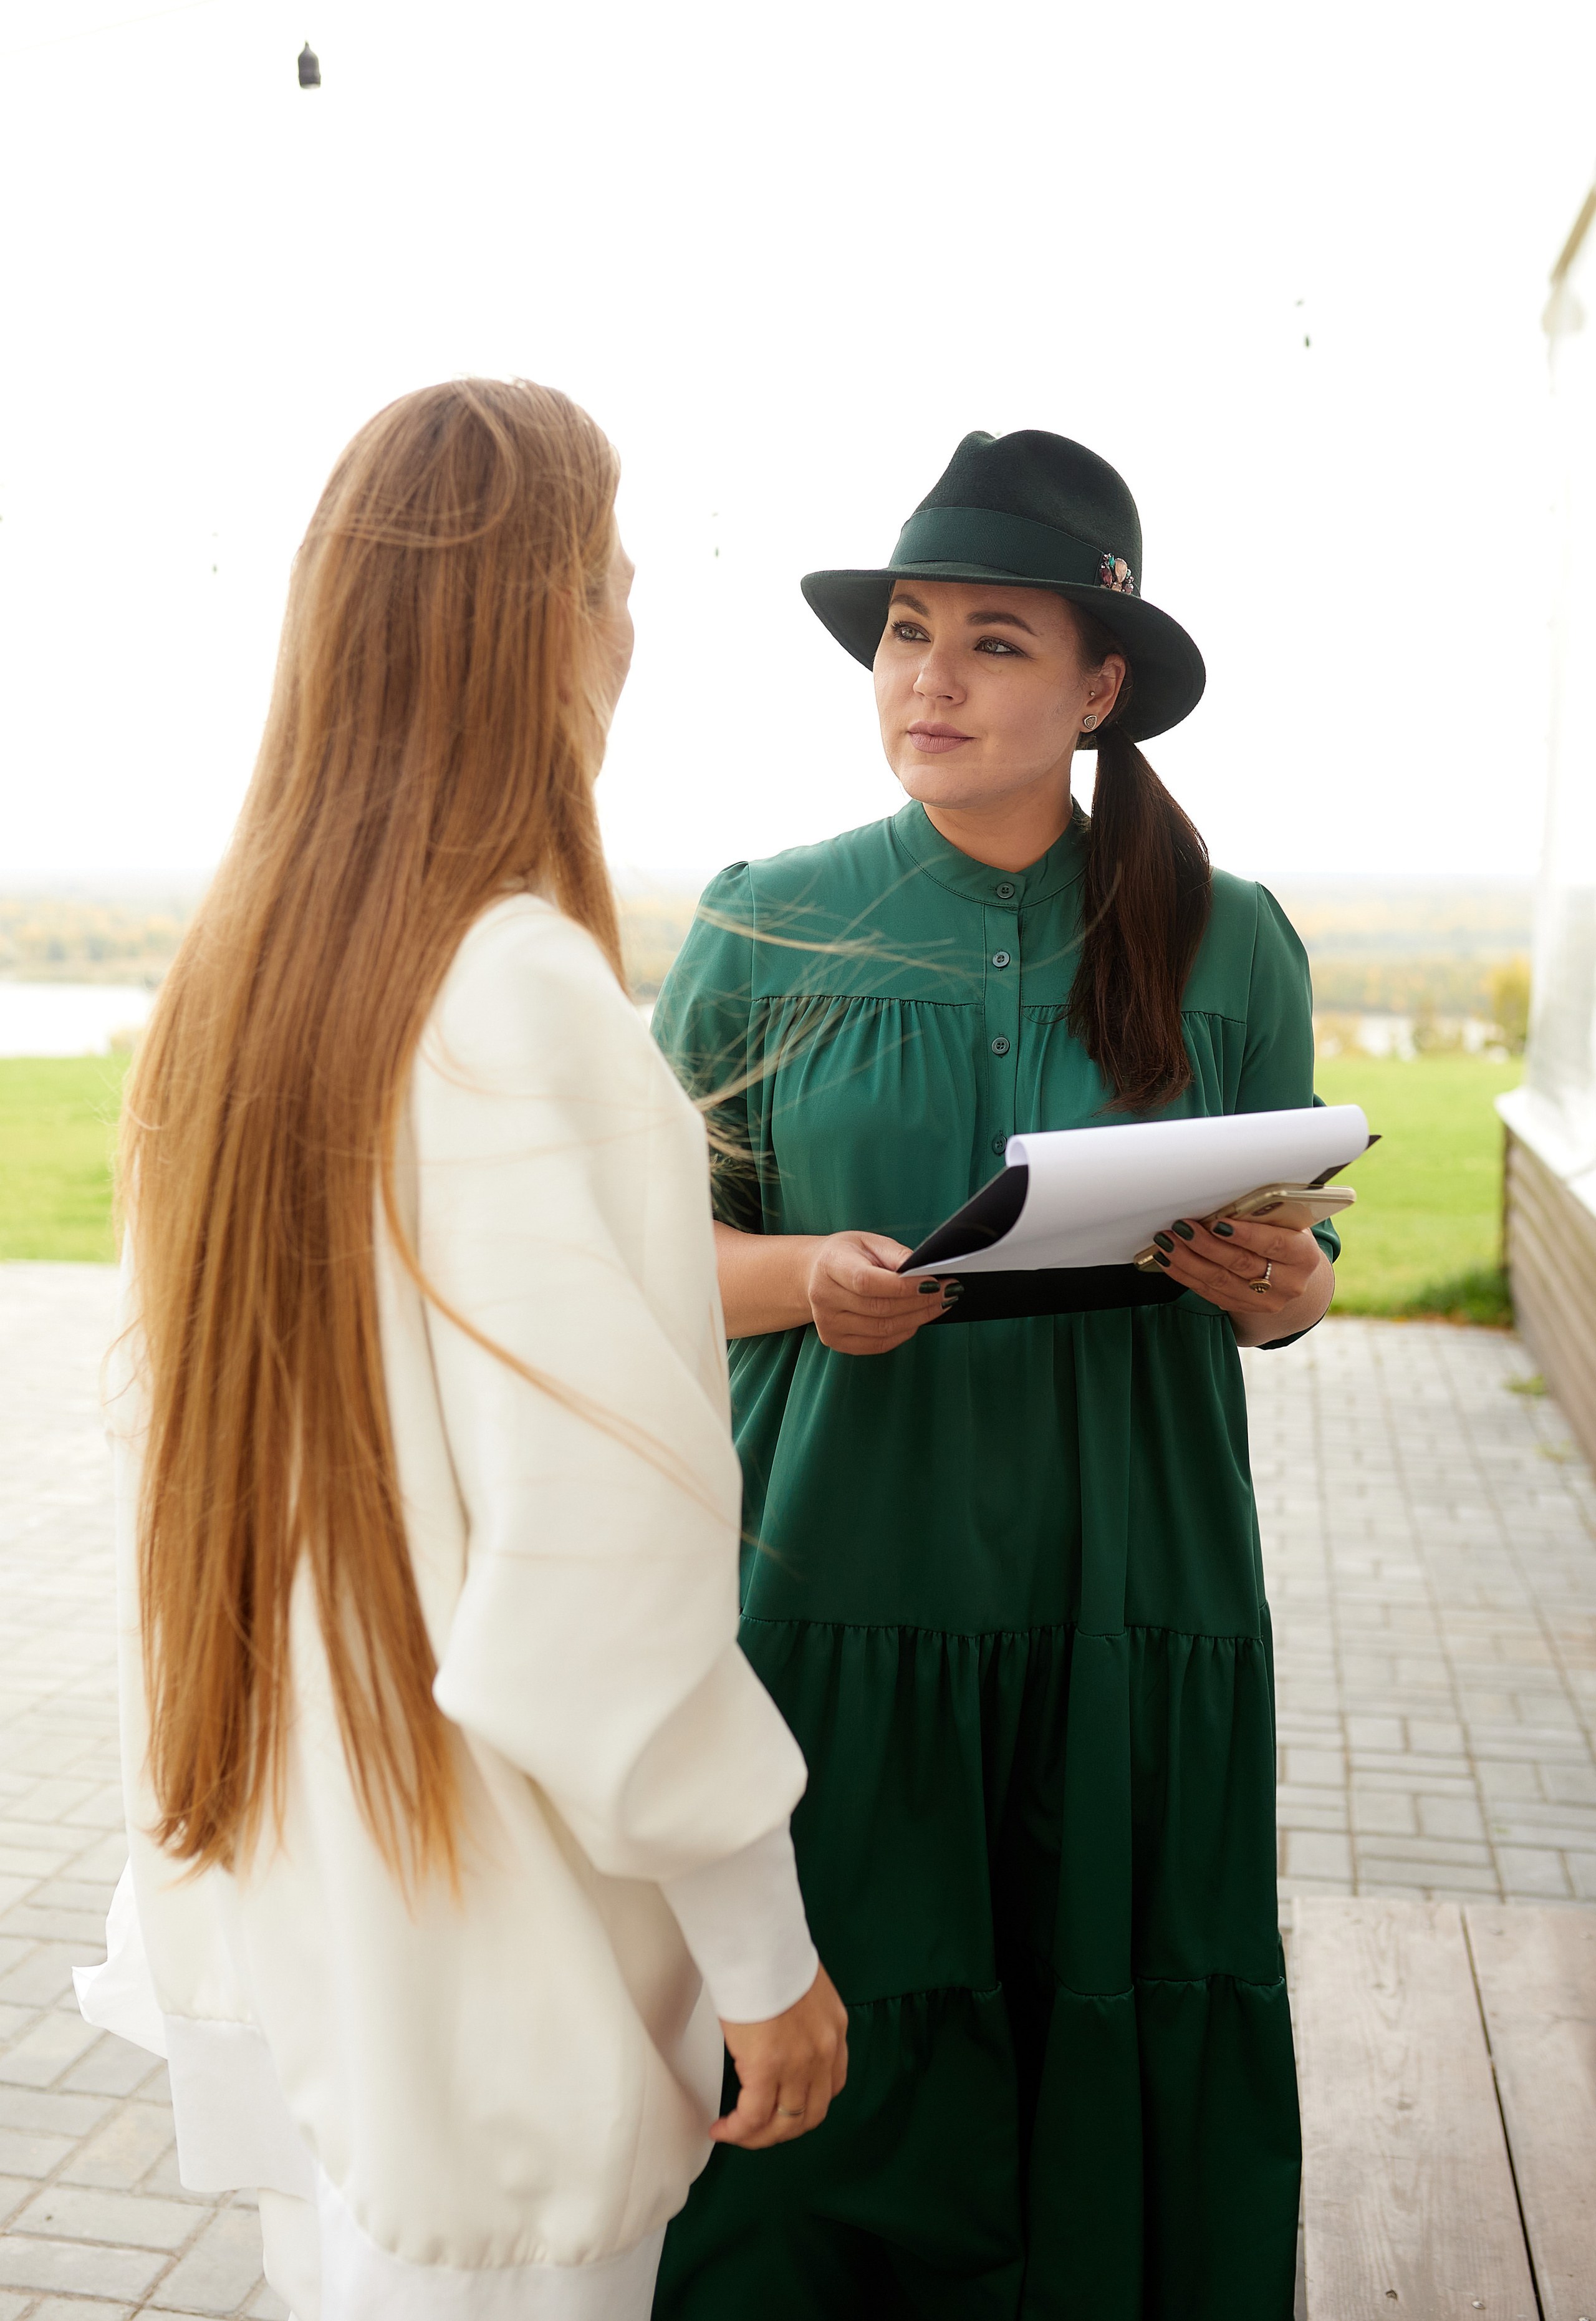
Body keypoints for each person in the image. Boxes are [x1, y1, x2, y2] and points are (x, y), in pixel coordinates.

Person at [74, 378, 848, 2321]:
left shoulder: (231, 983)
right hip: (492, 1995)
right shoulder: (517, 997)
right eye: (617, 575)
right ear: (546, 620)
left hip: (306, 1935)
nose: (634, 620)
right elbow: (599, 1590)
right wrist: (763, 1947)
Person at [650, 430, 1335, 2319]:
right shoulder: (764, 924)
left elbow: (1293, 1265)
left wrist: (1285, 1288)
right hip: (839, 1581)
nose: (929, 680)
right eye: (906, 634)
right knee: (839, 2040)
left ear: (1102, 688)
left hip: (1138, 1594)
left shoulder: (1231, 939)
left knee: (1117, 2011)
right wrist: (807, 1277)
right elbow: (639, 1266)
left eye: (993, 643)